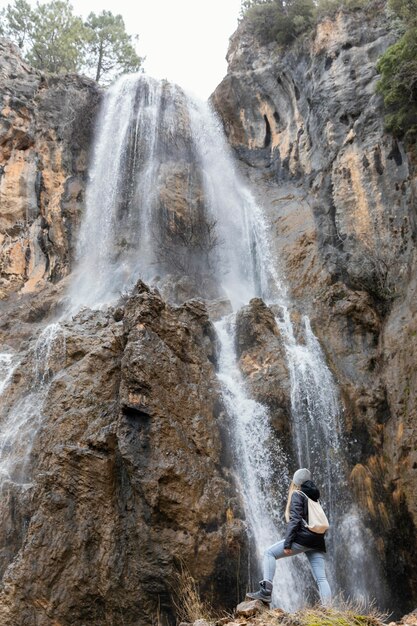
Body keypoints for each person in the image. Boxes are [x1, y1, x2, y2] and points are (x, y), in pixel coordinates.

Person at [247, 468, 332, 606]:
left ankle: (266, 592)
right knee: (321, 578)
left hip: (303, 539)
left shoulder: (298, 494)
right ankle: (329, 610)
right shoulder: (315, 498)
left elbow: (295, 520)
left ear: (296, 481)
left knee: (269, 553)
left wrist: (288, 543)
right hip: (317, 541)